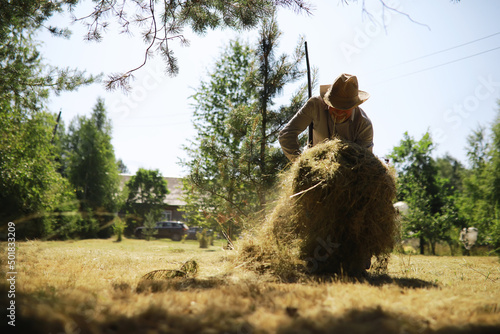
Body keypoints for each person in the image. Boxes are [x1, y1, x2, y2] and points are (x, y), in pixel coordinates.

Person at [279, 73, 373, 161]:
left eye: (344, 108)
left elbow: (364, 160)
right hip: (312, 166)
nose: (339, 112)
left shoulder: (364, 126)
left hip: (347, 174)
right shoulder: (315, 105)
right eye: (335, 106)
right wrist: (301, 163)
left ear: (354, 106)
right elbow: (286, 135)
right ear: (327, 101)